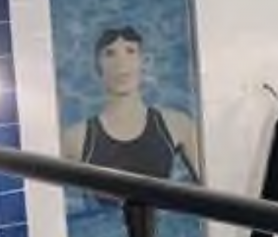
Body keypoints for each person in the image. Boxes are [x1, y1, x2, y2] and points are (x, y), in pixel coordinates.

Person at [62, 26, 201, 182]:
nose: (121, 63)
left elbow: (212, 186)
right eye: (110, 53)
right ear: (97, 67)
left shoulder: (178, 126)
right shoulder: (74, 139)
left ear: (143, 62)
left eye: (130, 51)